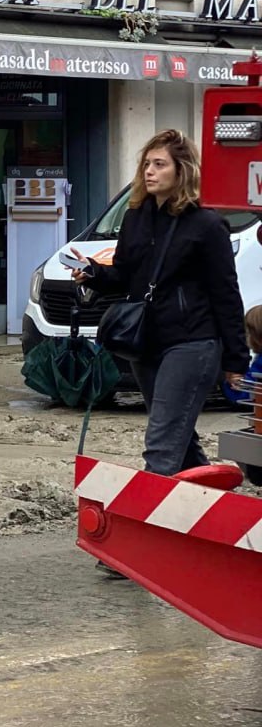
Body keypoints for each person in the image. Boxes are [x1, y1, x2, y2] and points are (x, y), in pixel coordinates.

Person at [69, 129, 248, 479]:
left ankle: (149, 524)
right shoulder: (136, 216)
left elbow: (226, 293)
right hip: (146, 343)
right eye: (146, 163)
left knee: (162, 442)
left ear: (182, 171)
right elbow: (124, 274)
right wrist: (92, 273)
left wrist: (236, 360)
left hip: (193, 342)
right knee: (179, 438)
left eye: (159, 164)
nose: (149, 171)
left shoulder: (207, 225)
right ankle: (211, 509)